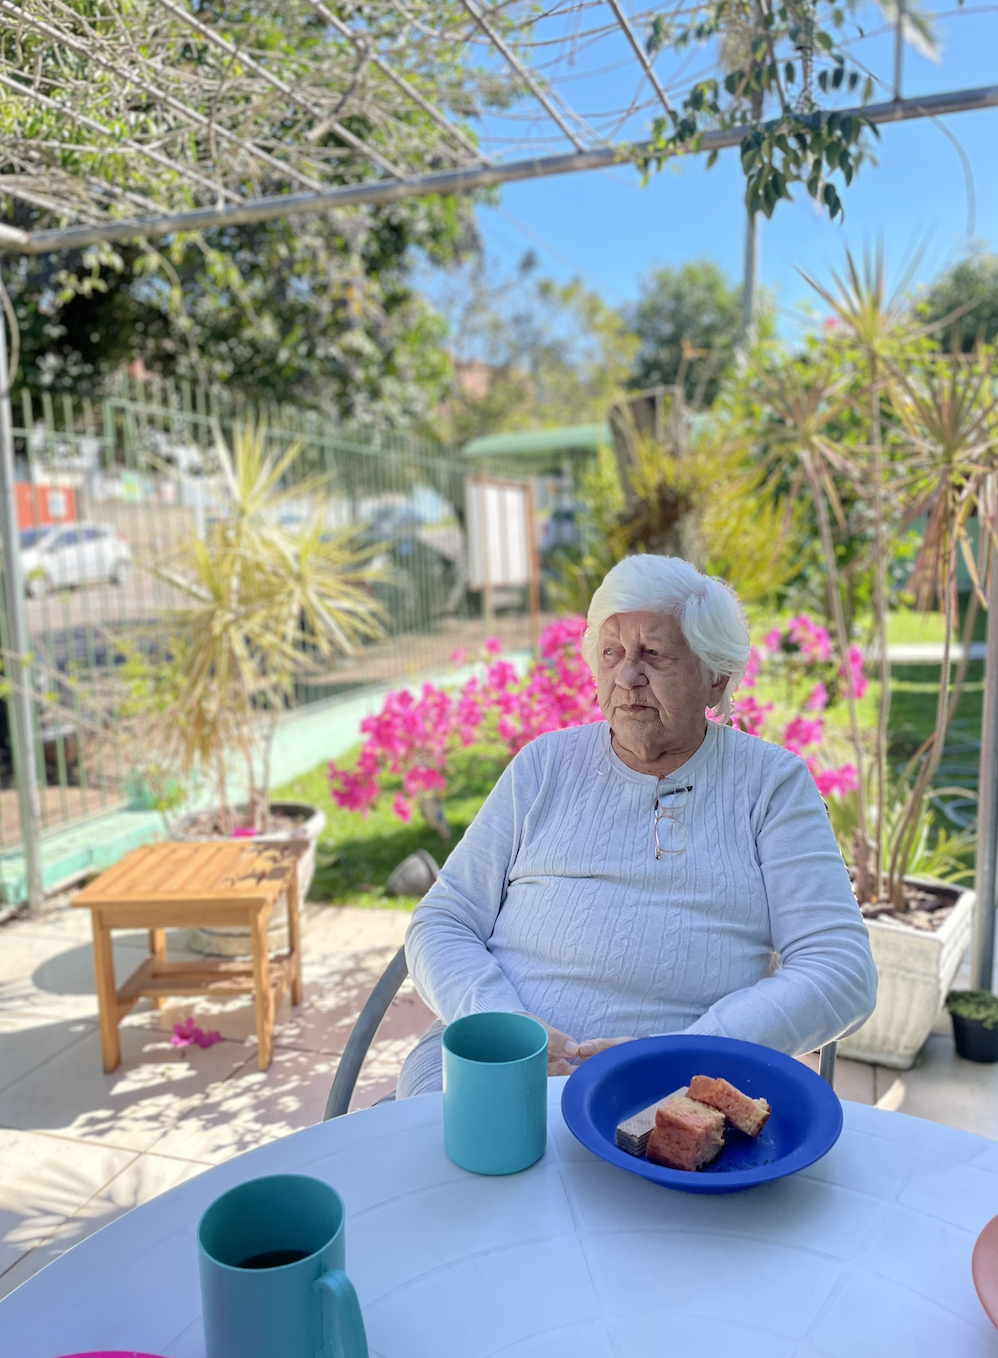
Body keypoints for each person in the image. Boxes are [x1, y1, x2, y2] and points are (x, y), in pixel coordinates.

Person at [398, 554, 877, 1097]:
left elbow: (841, 969)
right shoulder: (544, 765)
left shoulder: (770, 785)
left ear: (715, 675)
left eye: (654, 653)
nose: (627, 676)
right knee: (447, 1162)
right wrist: (503, 1027)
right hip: (501, 1060)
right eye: (611, 653)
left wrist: (687, 1055)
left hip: (676, 1087)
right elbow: (443, 921)